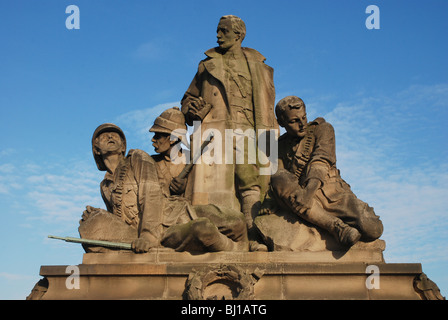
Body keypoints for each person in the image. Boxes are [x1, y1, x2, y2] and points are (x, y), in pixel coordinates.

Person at [181, 15, 277, 251]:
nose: (218, 35)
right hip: (217, 131)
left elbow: (268, 103)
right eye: (218, 31)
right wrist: (190, 107)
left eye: (223, 31)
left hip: (253, 130)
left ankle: (256, 235)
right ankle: (218, 237)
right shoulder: (207, 65)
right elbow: (187, 98)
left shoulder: (259, 66)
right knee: (214, 192)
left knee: (252, 182)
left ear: (239, 35)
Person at [263, 96, 384, 247]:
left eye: (304, 117)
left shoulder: (323, 129)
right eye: (294, 121)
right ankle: (337, 227)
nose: (302, 124)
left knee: (373, 228)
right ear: (281, 123)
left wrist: (309, 192)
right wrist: (271, 202)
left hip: (331, 192)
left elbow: (321, 160)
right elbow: (280, 178)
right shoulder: (279, 146)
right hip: (299, 195)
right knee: (279, 177)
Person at [148, 107, 249, 253]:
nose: (153, 139)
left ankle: (248, 246)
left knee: (237, 221)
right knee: (203, 228)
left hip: (192, 210)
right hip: (169, 220)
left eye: (158, 135)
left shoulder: (195, 161)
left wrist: (186, 186)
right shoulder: (149, 163)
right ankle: (236, 249)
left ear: (173, 139)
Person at [80, 123, 164, 252]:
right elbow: (117, 219)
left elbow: (151, 195)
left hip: (161, 225)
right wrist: (97, 214)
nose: (110, 137)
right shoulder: (105, 186)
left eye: (115, 136)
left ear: (123, 146)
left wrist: (148, 236)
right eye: (104, 137)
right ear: (96, 149)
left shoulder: (137, 158)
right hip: (133, 235)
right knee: (90, 228)